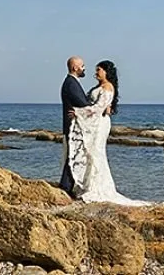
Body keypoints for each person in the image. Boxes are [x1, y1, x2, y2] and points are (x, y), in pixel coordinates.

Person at [66, 60, 150, 205]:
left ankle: (97, 187)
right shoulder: (98, 87)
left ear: (106, 71)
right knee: (89, 152)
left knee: (96, 152)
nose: (95, 73)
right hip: (95, 121)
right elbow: (93, 104)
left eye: (98, 70)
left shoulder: (108, 87)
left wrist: (78, 112)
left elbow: (99, 107)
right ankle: (88, 185)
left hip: (100, 124)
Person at [58, 56, 91, 195]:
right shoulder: (71, 84)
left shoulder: (72, 82)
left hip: (74, 126)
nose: (84, 69)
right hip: (73, 127)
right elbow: (82, 104)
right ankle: (65, 187)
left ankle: (68, 186)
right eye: (82, 66)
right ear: (75, 67)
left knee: (74, 156)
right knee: (72, 156)